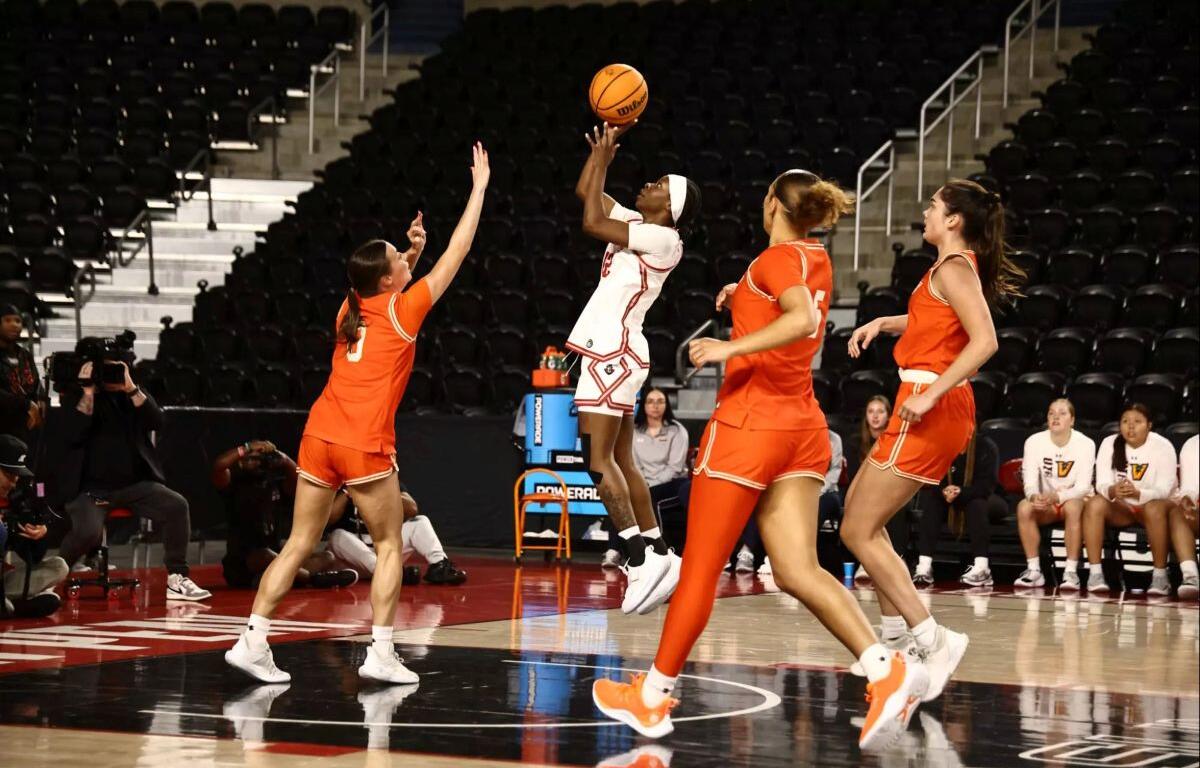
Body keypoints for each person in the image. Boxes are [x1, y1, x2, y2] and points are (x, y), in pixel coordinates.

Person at [595, 170, 923, 752]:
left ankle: (651, 698)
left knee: (698, 569)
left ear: (772, 203)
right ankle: (883, 668)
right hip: (802, 428)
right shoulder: (812, 257)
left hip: (750, 427)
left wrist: (728, 345)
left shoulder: (775, 263)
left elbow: (802, 320)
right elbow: (787, 304)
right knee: (797, 570)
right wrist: (741, 298)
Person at [224, 143, 489, 686]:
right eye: (398, 257)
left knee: (298, 543)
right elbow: (456, 257)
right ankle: (381, 652)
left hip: (318, 435)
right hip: (363, 442)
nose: (403, 259)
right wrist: (478, 191)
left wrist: (409, 252)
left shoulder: (348, 307)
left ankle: (252, 640)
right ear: (392, 279)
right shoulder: (405, 308)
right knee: (391, 544)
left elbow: (389, 284)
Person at [841, 179, 1021, 716]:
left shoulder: (954, 268)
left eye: (934, 207)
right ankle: (896, 642)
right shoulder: (945, 270)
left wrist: (933, 393)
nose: (925, 211)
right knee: (860, 517)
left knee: (855, 529)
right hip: (921, 394)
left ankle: (935, 640)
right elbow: (930, 325)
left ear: (954, 221)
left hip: (929, 400)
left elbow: (985, 341)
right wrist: (882, 321)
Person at [567, 121, 700, 615]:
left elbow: (591, 225)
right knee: (623, 462)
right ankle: (662, 555)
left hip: (612, 351)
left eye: (660, 185)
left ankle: (637, 557)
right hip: (618, 351)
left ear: (671, 208)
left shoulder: (665, 240)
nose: (648, 184)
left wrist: (604, 160)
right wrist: (600, 155)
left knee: (597, 461)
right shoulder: (642, 226)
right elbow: (588, 193)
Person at [56, 354, 210, 602]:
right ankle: (51, 577)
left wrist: (130, 387)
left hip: (135, 486)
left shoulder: (132, 395)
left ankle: (177, 578)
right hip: (92, 490)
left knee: (176, 505)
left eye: (115, 370)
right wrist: (87, 392)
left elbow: (157, 422)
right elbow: (72, 433)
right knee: (88, 532)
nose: (110, 377)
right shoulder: (78, 396)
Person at [212, 440, 357, 589]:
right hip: (244, 564)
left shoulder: (275, 486)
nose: (256, 462)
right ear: (240, 462)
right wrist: (247, 448)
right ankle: (310, 579)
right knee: (266, 555)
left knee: (327, 557)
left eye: (259, 459)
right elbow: (219, 466)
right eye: (250, 458)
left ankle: (283, 578)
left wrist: (283, 458)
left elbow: (299, 478)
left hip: (278, 556)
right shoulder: (232, 485)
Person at [1083, 404, 1179, 595]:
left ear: (1149, 425)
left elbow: (1164, 489)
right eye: (1125, 421)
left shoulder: (1162, 446)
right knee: (1095, 504)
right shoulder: (1109, 443)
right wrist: (1112, 490)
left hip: (1157, 507)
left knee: (1153, 508)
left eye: (1137, 422)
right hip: (1123, 508)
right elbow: (1101, 484)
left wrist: (1138, 494)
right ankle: (1095, 574)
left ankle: (1160, 577)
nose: (1130, 427)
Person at [1013, 399, 1096, 589]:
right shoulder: (1034, 442)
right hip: (1047, 503)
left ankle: (1071, 572)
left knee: (1073, 506)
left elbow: (1083, 487)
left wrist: (1057, 497)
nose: (1055, 417)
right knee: (1024, 507)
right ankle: (1034, 570)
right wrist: (1034, 497)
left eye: (1062, 413)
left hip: (1076, 501)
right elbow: (1030, 482)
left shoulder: (1085, 444)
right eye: (1051, 413)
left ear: (1072, 420)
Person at [326, 478, 467, 585]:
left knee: (420, 522)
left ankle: (439, 566)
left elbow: (412, 509)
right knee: (337, 536)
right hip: (354, 559)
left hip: (385, 551)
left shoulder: (386, 480)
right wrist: (347, 491)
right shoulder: (341, 483)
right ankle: (391, 573)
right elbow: (329, 519)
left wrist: (383, 493)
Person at [912, 433, 1005, 587]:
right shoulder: (941, 445)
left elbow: (987, 485)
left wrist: (961, 491)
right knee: (932, 503)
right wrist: (944, 490)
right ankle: (924, 566)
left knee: (977, 504)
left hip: (986, 496)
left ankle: (982, 568)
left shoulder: (986, 446)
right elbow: (932, 477)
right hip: (951, 495)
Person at [0, 435, 66, 617]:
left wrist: (38, 535)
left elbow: (33, 557)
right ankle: (11, 607)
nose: (13, 482)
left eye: (16, 476)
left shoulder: (14, 502)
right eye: (8, 474)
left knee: (58, 567)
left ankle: (8, 605)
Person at [0, 305, 44, 441]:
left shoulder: (24, 354)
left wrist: (42, 402)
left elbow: (36, 383)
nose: (14, 325)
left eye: (17, 321)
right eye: (7, 320)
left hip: (24, 425)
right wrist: (27, 405)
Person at [1172, 434, 1198, 598]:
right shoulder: (1192, 444)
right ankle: (1191, 576)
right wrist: (1187, 498)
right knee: (1178, 513)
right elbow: (1189, 486)